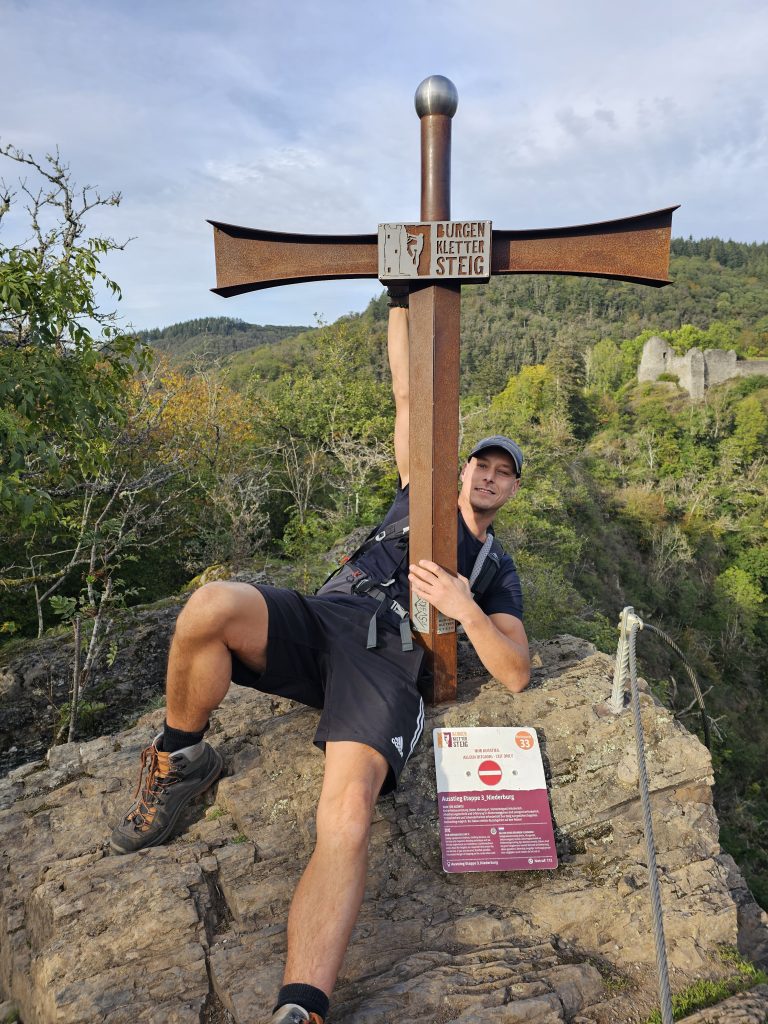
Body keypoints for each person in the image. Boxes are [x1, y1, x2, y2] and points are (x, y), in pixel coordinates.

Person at [109, 295, 531, 1024]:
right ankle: (181, 758)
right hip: (328, 616)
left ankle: (300, 1006)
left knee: (345, 811)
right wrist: (401, 297)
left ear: (513, 489)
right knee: (210, 606)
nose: (488, 477)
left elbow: (517, 669)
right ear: (458, 470)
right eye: (480, 465)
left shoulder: (496, 567)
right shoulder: (416, 494)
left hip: (392, 657)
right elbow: (407, 392)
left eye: (504, 472)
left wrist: (463, 609)